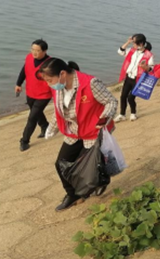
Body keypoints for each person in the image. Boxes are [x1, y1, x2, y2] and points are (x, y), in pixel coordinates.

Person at [41, 58, 118, 211]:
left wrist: (103, 118)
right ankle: (73, 195)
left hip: (92, 130)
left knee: (92, 165)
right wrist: (51, 128)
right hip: (74, 131)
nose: (49, 84)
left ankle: (101, 181)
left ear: (62, 74)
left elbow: (111, 102)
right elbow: (58, 110)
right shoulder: (58, 88)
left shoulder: (90, 83)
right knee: (61, 163)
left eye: (50, 80)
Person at [15, 39, 52, 151]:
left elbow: (57, 80)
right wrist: (18, 83)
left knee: (32, 117)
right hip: (30, 92)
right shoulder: (29, 57)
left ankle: (24, 141)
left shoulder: (50, 64)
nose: (34, 52)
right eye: (32, 49)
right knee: (36, 113)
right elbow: (24, 70)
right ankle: (45, 127)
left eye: (37, 50)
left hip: (44, 94)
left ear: (44, 51)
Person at [114, 34, 154, 122]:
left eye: (134, 43)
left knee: (131, 97)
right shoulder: (132, 51)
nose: (133, 44)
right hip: (129, 77)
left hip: (138, 79)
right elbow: (120, 51)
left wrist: (145, 67)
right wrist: (128, 42)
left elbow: (151, 68)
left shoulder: (148, 55)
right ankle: (122, 114)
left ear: (141, 43)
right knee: (123, 96)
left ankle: (133, 113)